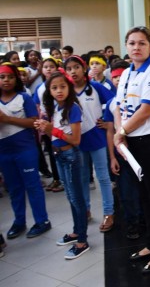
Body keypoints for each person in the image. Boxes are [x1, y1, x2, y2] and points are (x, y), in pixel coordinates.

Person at [113, 26, 150, 274]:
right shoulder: (127, 72)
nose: (136, 47)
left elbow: (146, 110)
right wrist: (121, 132)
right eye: (131, 43)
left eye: (141, 43)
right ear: (126, 46)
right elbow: (119, 106)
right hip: (131, 141)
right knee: (144, 197)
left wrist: (121, 132)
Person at [35, 71, 89, 260]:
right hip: (59, 156)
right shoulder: (55, 107)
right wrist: (44, 127)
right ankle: (76, 232)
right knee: (70, 196)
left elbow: (75, 139)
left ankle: (82, 241)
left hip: (70, 155)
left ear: (69, 88)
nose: (59, 91)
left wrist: (52, 130)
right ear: (49, 91)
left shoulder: (73, 108)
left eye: (63, 87)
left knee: (77, 198)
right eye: (54, 87)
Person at [0, 63, 52, 240]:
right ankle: (19, 222)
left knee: (32, 185)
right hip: (4, 152)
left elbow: (34, 122)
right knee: (14, 188)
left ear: (16, 79)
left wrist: (7, 119)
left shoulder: (24, 97)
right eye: (2, 77)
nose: (6, 80)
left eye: (10, 77)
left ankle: (42, 221)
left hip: (25, 149)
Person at [64, 55, 115, 231]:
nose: (73, 71)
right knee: (83, 178)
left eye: (76, 67)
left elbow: (113, 102)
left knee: (103, 177)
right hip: (77, 141)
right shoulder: (67, 90)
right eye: (69, 68)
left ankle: (109, 212)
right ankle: (85, 210)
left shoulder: (95, 87)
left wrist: (108, 121)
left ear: (83, 68)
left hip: (97, 138)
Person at [103, 59, 142, 240]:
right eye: (115, 77)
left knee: (145, 189)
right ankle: (132, 224)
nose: (118, 80)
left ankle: (145, 221)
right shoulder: (112, 103)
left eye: (122, 76)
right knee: (127, 192)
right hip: (122, 153)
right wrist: (112, 157)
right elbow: (110, 131)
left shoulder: (140, 97)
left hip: (142, 149)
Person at [33, 57, 64, 192]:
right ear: (42, 70)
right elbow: (38, 106)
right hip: (46, 123)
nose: (49, 69)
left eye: (52, 66)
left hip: (60, 122)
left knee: (63, 149)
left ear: (57, 68)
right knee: (52, 152)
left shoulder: (63, 85)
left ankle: (64, 179)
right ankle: (57, 178)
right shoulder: (40, 88)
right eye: (46, 67)